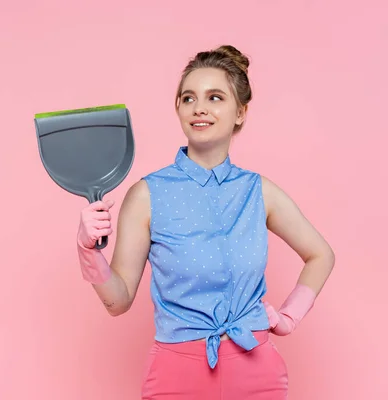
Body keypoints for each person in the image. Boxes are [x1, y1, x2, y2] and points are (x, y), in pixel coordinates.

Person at [75, 45, 335, 399]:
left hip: (258, 374)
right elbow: (118, 301)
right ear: (178, 109)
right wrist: (88, 253)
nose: (199, 108)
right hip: (175, 377)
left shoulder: (259, 192)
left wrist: (288, 318)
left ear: (240, 112)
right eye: (188, 98)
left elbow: (321, 254)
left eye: (215, 97)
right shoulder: (146, 195)